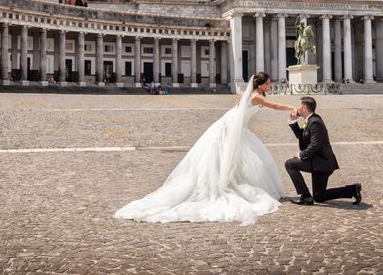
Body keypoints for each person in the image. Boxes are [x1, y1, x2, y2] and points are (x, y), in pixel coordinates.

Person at [114, 72, 295, 225]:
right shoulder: (256, 96)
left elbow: (236, 110)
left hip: (230, 124)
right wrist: (293, 108)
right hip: (234, 127)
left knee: (229, 156)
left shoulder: (248, 95)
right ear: (261, 85)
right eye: (268, 84)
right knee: (239, 158)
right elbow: (275, 105)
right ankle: (228, 182)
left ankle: (228, 179)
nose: (269, 87)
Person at [284, 96, 362, 206]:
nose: (297, 108)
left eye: (299, 106)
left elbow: (315, 145)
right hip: (318, 162)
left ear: (304, 108)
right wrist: (293, 122)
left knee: (290, 164)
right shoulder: (311, 119)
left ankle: (305, 196)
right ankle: (352, 190)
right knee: (319, 196)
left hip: (322, 163)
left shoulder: (315, 122)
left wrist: (300, 155)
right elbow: (302, 137)